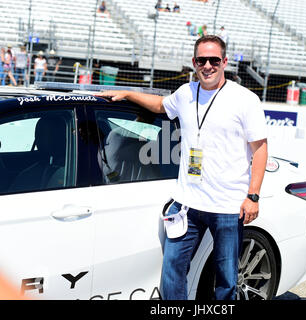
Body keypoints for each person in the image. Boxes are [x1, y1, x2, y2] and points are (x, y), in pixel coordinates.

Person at [95, 35, 268, 300]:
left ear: (224, 61)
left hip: (228, 206)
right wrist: (128, 93)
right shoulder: (186, 92)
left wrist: (252, 196)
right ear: (194, 62)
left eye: (213, 60)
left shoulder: (245, 99)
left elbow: (260, 149)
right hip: (188, 203)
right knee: (173, 269)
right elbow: (160, 105)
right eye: (202, 60)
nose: (207, 66)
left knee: (226, 279)